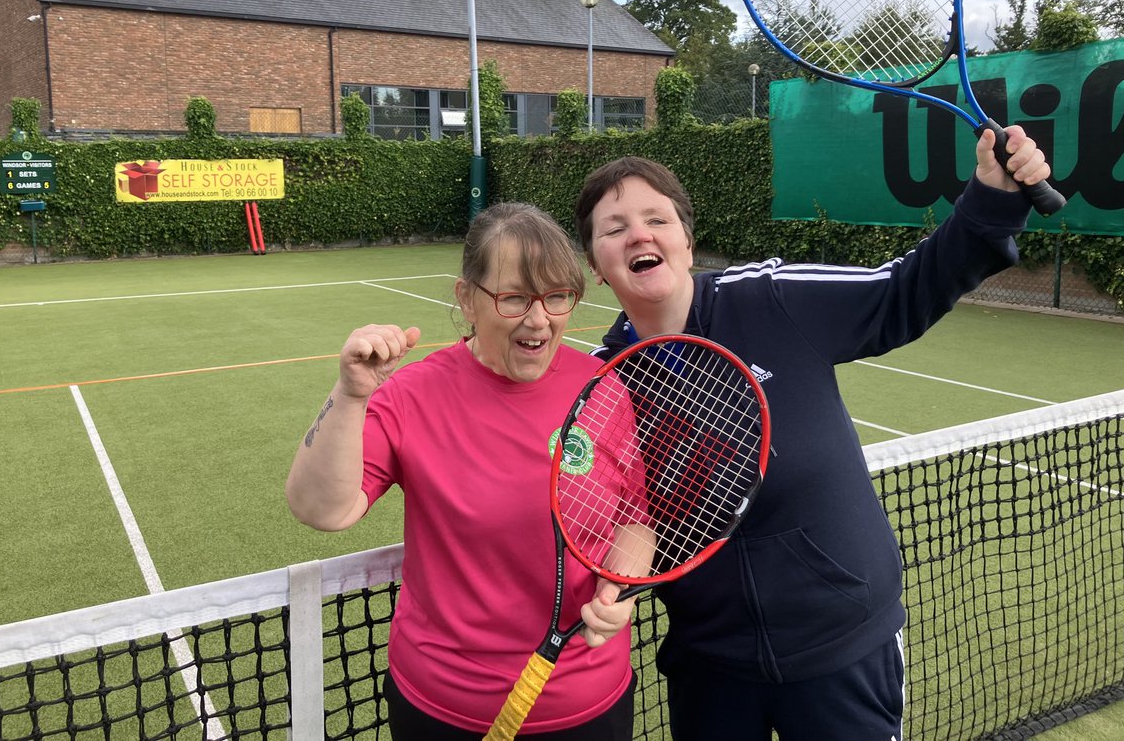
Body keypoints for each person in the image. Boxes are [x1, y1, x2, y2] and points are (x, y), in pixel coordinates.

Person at [571, 128, 1053, 741]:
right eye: (614, 228)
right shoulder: (604, 383)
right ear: (597, 266)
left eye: (656, 218)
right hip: (710, 665)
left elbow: (904, 291)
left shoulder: (774, 296)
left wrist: (991, 196)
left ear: (686, 242)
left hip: (843, 648)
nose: (638, 234)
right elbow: (619, 513)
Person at [285, 201, 640, 740]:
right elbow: (321, 509)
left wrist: (621, 589)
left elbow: (634, 518)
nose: (540, 319)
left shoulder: (604, 384)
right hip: (445, 707)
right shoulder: (412, 394)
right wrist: (352, 394)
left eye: (556, 296)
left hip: (590, 704)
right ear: (467, 299)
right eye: (515, 297)